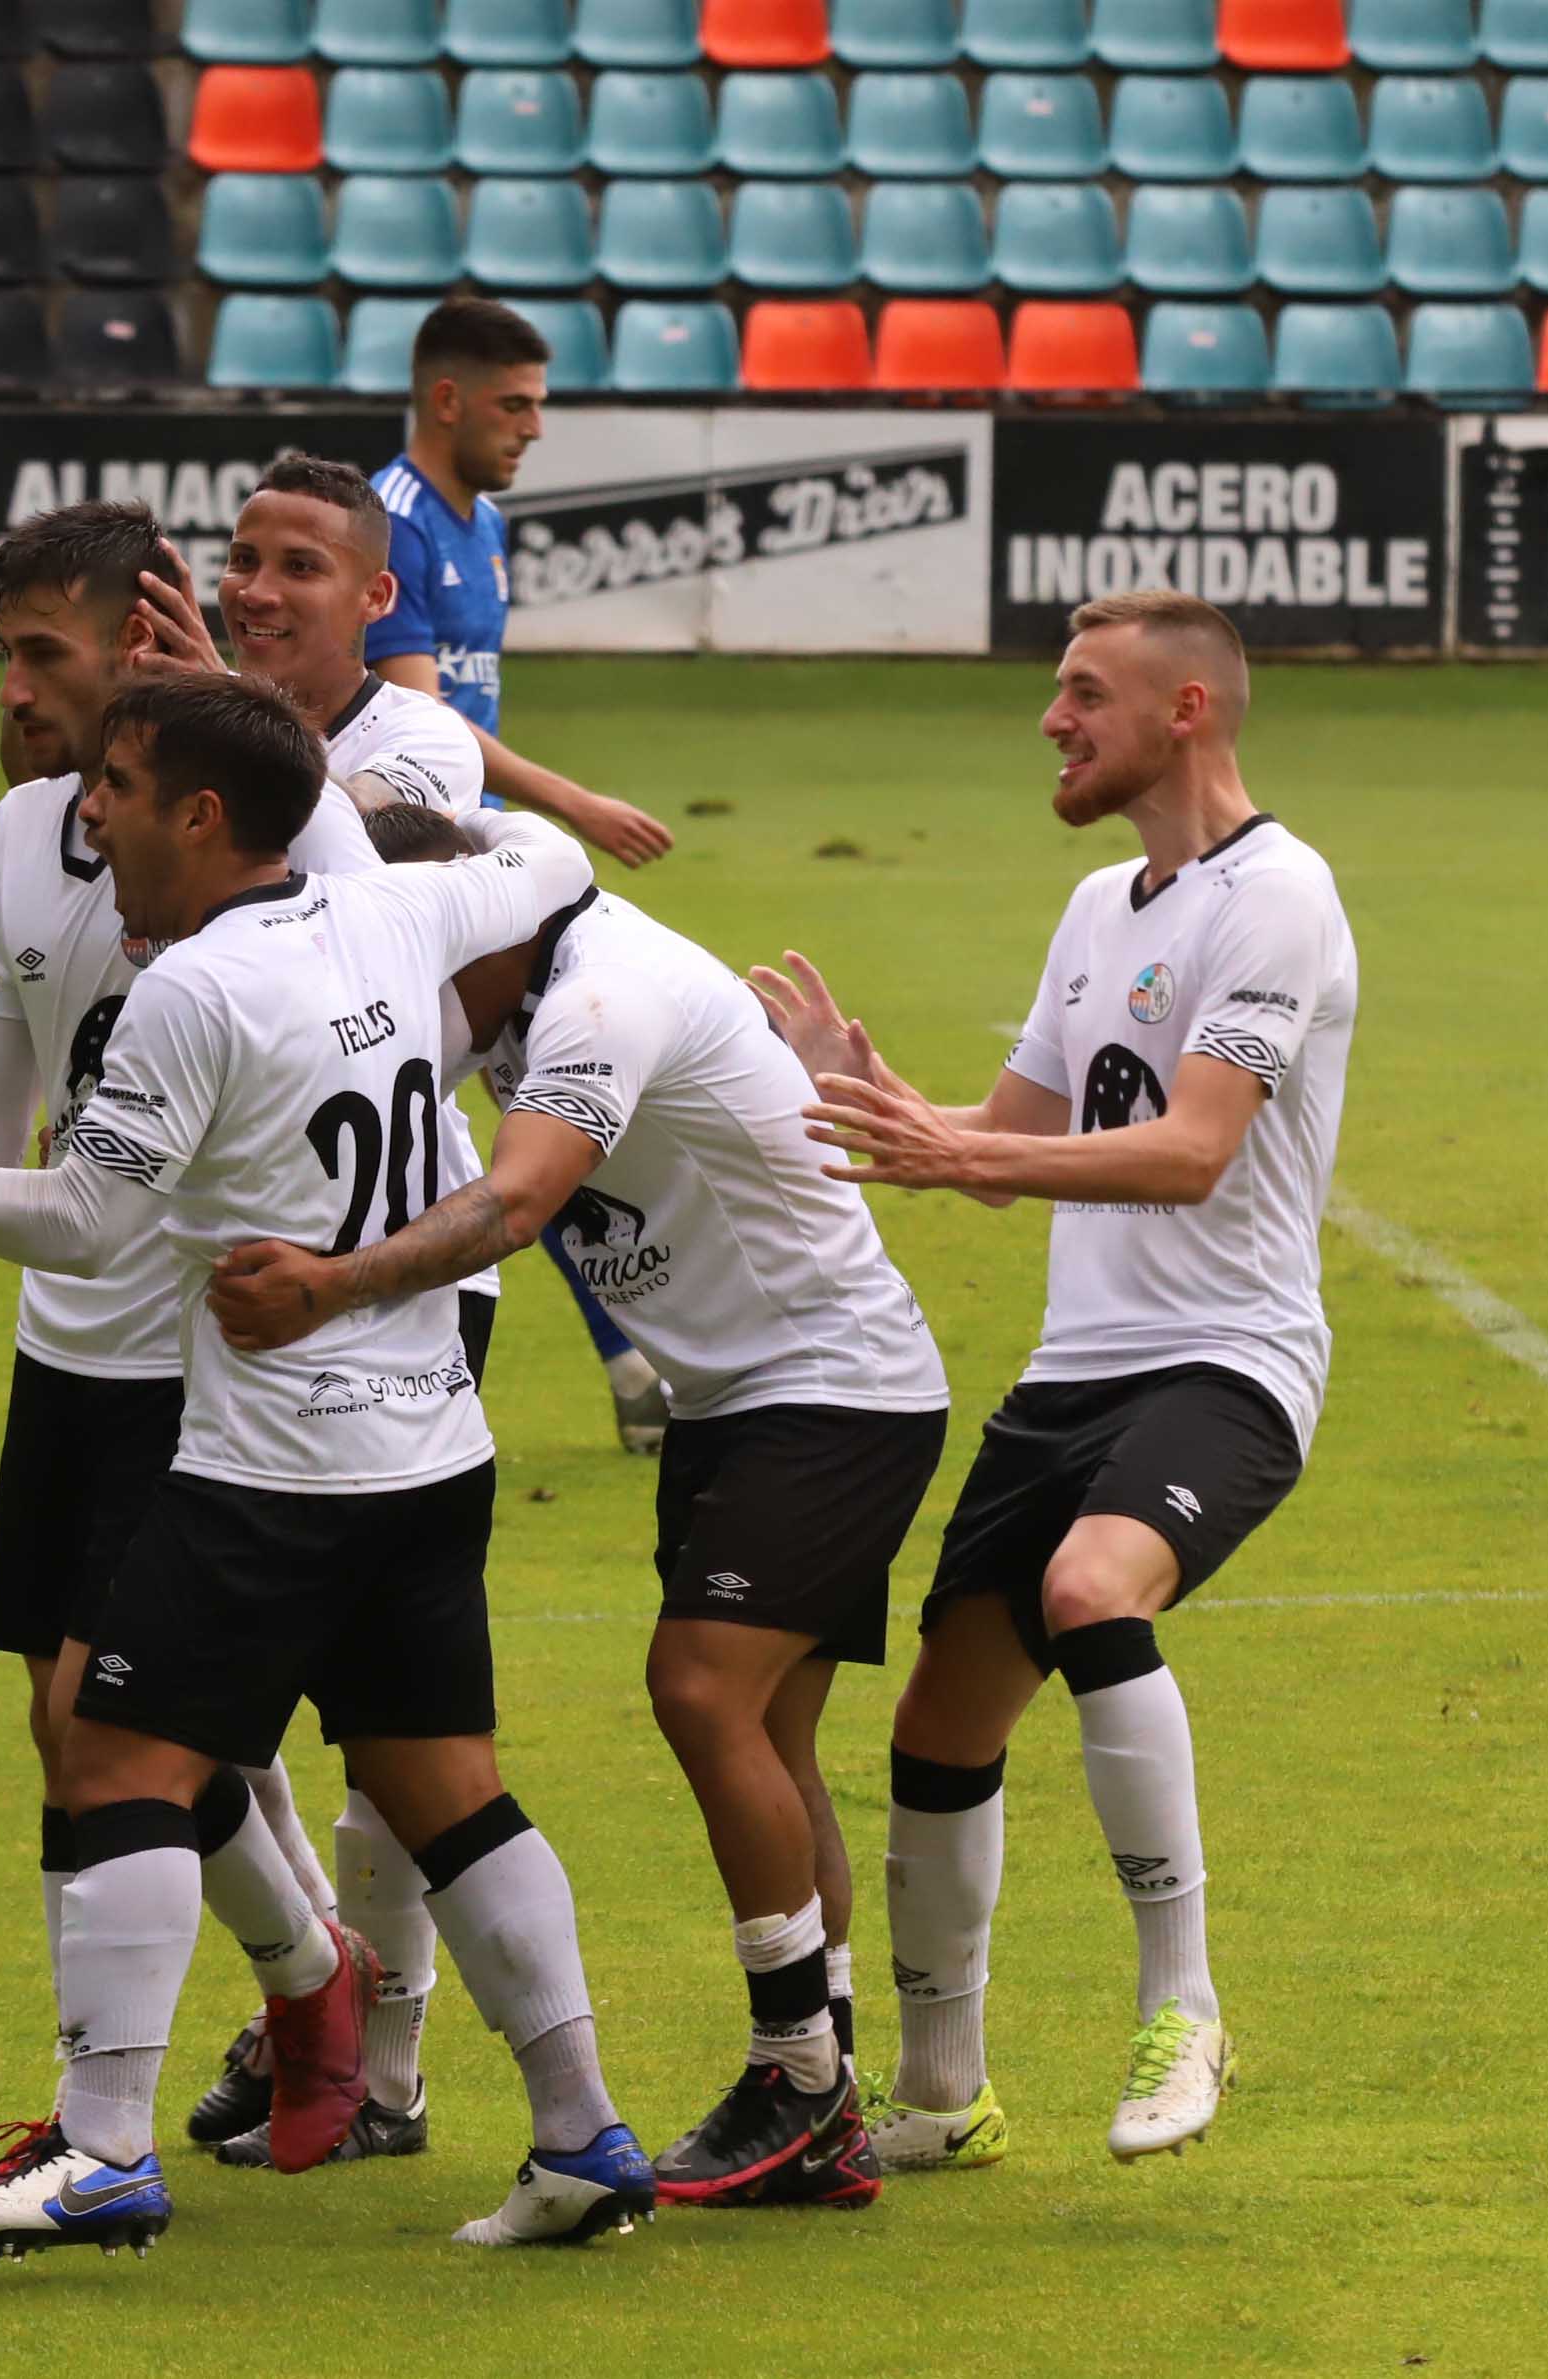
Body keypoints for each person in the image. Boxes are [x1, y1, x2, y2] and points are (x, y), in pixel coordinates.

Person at [0, 673, 654, 2257]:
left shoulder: (195, 992)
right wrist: (511, 833)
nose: (93, 807)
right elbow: (545, 860)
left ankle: (105, 2149)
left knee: (113, 1753)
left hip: (270, 1466)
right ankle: (583, 2132)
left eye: (120, 784)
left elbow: (86, 1221)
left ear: (200, 816)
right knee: (450, 1790)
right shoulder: (394, 916)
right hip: (428, 1444)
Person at [210, 801, 949, 2211]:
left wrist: (327, 1285)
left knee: (698, 1689)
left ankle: (800, 2079)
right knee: (770, 1731)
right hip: (745, 1394)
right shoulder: (512, 962)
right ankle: (814, 2086)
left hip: (832, 1386)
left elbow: (516, 1200)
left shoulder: (598, 995)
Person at [0, 503, 385, 2218]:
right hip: (65, 1345)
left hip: (212, 1357)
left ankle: (115, 2121)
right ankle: (308, 1978)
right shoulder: (16, 838)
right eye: (1, 651)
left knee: (106, 1728)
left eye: (40, 654)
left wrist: (254, 718)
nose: (8, 688)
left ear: (135, 653)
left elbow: (369, 939)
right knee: (72, 1725)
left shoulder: (268, 836)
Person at [763, 590, 1357, 2171]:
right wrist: (870, 1091)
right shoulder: (1100, 905)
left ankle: (1185, 2004)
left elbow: (1189, 1147)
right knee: (940, 1721)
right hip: (1070, 1372)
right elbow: (1005, 1143)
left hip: (1225, 1356)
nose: (1050, 718)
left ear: (1184, 711)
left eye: (1082, 692)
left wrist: (962, 1145)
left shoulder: (1276, 896)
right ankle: (943, 2092)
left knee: (1098, 1585)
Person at [149, 452, 509, 2167]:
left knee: (377, 1710)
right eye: (242, 559)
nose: (259, 587)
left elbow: (382, 978)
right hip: (234, 1264)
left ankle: (386, 2058)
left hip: (392, 1259)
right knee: (223, 1683)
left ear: (377, 595)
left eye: (301, 562)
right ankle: (322, 1994)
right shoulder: (197, 751)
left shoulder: (413, 757)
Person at [368, 297, 678, 1455]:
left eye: (539, 404)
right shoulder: (390, 521)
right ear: (445, 398)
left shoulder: (480, 522)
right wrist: (572, 802)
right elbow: (419, 720)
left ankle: (634, 1363)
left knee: (541, 1113)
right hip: (415, 877)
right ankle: (630, 1362)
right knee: (518, 1117)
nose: (533, 427)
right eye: (515, 404)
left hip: (485, 873)